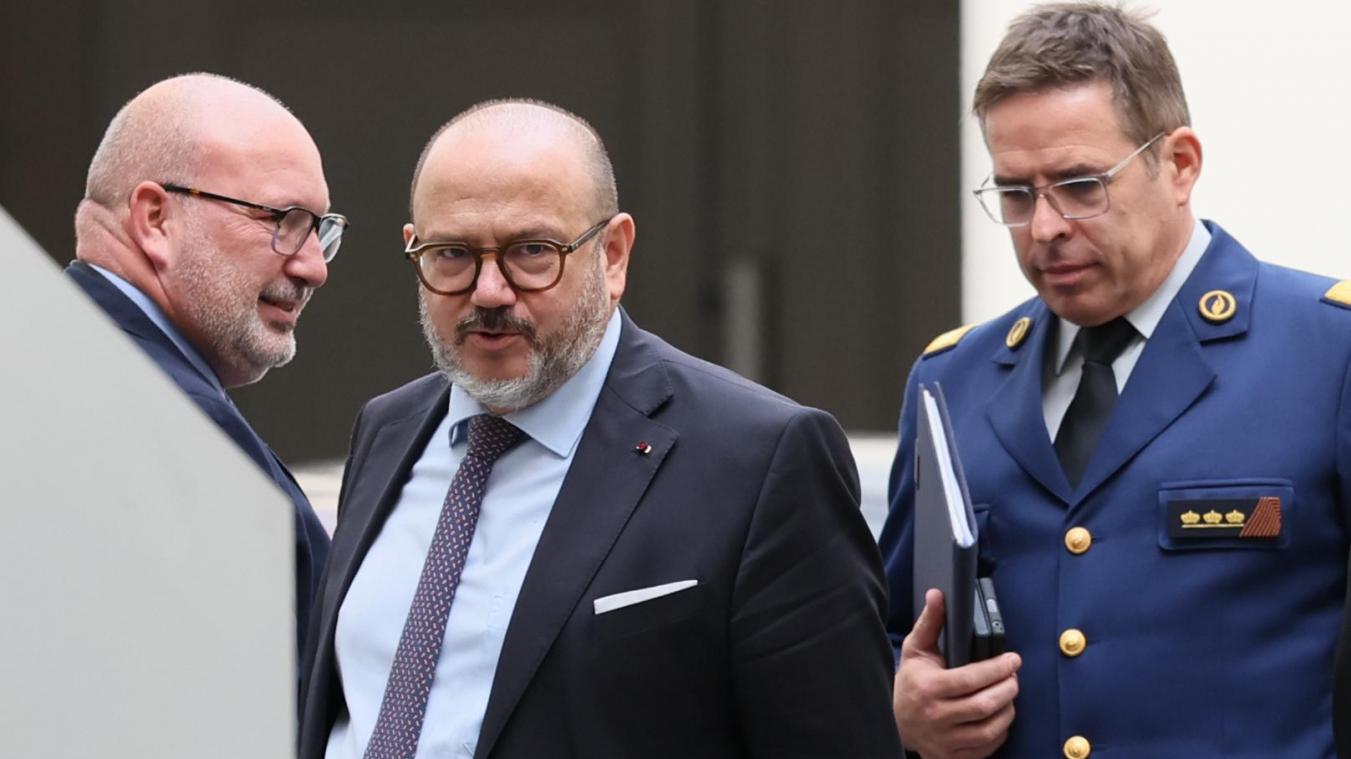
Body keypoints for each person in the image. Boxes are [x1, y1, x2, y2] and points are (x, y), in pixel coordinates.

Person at [297, 99, 901, 759]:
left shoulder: (761, 460)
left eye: (532, 251)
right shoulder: (388, 430)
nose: (489, 290)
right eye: (452, 255)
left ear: (612, 254)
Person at [879, 4, 1351, 758]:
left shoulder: (1326, 353)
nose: (1044, 227)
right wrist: (901, 705)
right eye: (1015, 193)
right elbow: (889, 630)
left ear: (1180, 164)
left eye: (1078, 184)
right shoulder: (954, 379)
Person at [68, 73, 345, 660]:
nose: (314, 268)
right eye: (283, 221)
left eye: (319, 230)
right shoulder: (169, 427)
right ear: (155, 219)